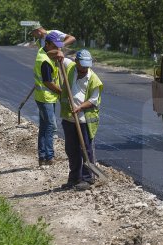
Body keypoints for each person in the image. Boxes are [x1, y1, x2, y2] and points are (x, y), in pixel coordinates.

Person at [55, 49, 103, 191]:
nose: (85, 69)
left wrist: (80, 107)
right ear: (76, 62)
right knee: (71, 149)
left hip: (84, 121)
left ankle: (87, 178)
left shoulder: (93, 79)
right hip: (68, 119)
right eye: (82, 65)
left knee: (86, 150)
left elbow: (93, 100)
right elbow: (60, 56)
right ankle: (74, 177)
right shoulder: (70, 68)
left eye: (87, 66)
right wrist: (59, 53)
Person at [33, 31, 67, 166]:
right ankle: (49, 156)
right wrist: (62, 93)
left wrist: (57, 54)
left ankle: (42, 157)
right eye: (55, 46)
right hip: (45, 97)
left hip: (46, 97)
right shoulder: (44, 61)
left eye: (59, 46)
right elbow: (48, 82)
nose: (57, 49)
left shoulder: (44, 53)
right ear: (47, 44)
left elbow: (52, 53)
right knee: (51, 126)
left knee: (44, 126)